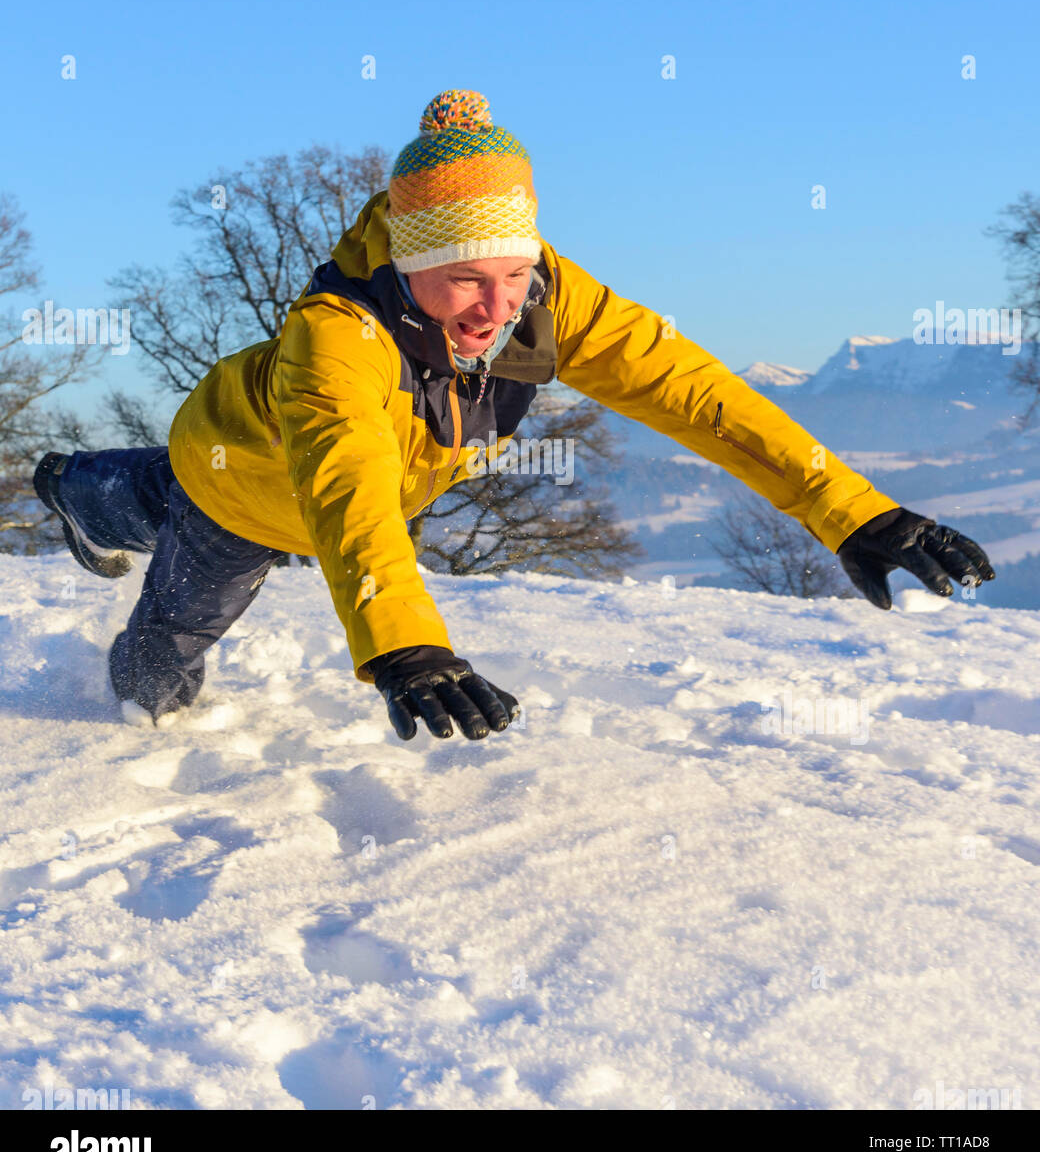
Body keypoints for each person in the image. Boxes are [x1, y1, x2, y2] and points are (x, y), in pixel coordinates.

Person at [34, 89, 996, 738]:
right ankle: (93, 598)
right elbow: (349, 493)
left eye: (513, 274)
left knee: (154, 490)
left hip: (294, 467)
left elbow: (697, 395)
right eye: (462, 282)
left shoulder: (547, 298)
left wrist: (853, 511)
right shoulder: (338, 339)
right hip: (258, 486)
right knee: (167, 647)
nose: (496, 310)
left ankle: (80, 488)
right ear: (407, 269)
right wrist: (403, 642)